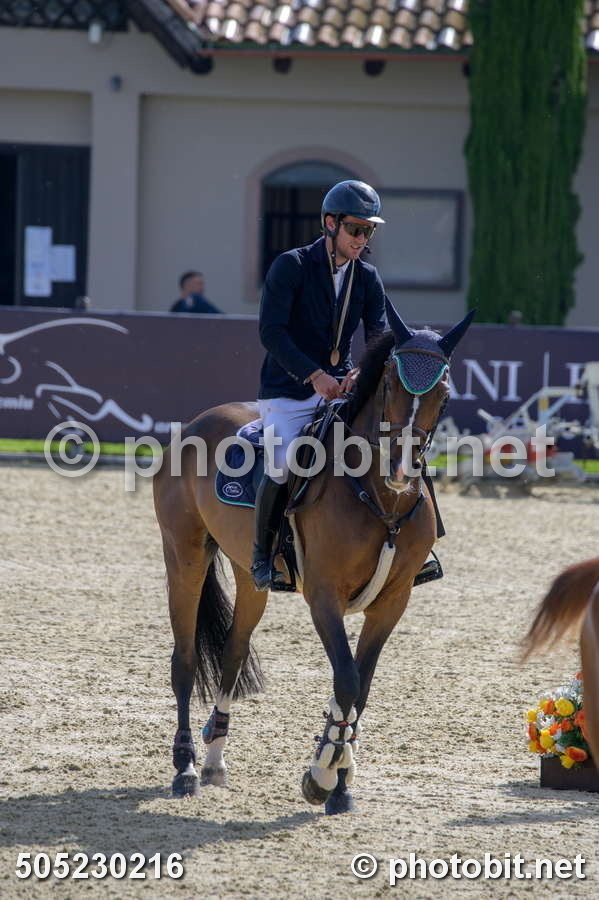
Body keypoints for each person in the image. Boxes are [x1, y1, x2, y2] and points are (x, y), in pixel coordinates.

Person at [251, 179, 388, 590]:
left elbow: (378, 335)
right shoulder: (291, 266)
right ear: (330, 223)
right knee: (282, 462)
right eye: (355, 229)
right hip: (288, 390)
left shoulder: (368, 277)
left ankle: (409, 552)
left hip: (341, 390)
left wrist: (361, 371)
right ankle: (263, 555)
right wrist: (313, 374)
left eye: (368, 231)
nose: (361, 239)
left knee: (384, 451)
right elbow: (271, 332)